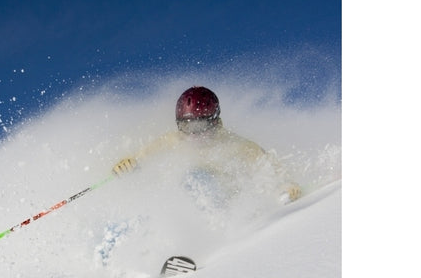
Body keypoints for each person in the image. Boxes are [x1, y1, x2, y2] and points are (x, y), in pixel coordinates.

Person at [111, 86, 302, 204]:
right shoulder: (172, 141)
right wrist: (126, 165)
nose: (194, 134)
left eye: (200, 125)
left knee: (197, 178)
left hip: (222, 211)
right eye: (187, 126)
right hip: (180, 210)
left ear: (216, 122)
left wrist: (288, 187)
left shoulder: (237, 145)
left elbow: (273, 171)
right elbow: (140, 161)